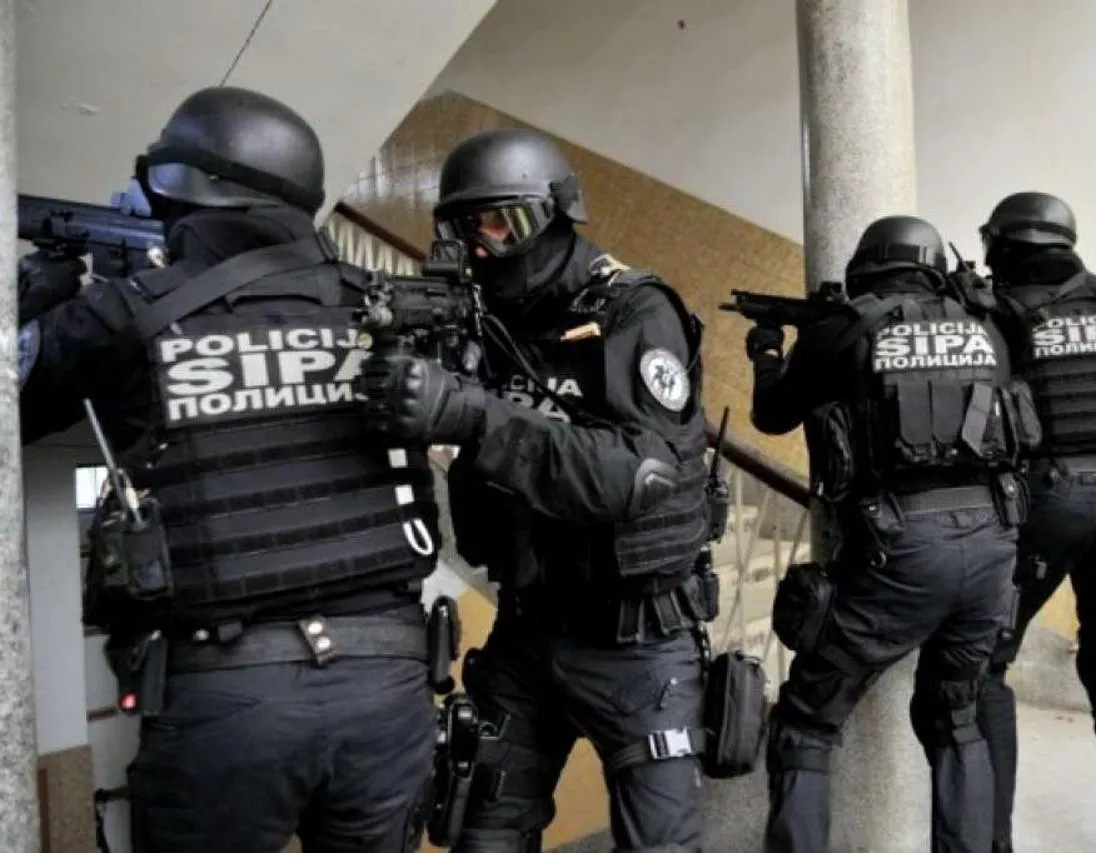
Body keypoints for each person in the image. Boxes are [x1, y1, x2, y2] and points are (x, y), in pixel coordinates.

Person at [18, 86, 443, 853]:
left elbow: (16, 403)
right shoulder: (380, 307)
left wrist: (34, 307)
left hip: (225, 693)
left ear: (189, 189)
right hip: (390, 684)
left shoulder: (131, 311)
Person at [359, 127, 713, 853]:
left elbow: (638, 472)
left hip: (638, 640)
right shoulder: (481, 317)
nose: (484, 246)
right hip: (527, 627)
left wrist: (472, 414)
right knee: (481, 832)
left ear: (555, 214)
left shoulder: (633, 311)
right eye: (466, 229)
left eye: (503, 223)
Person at [747, 215, 1041, 853]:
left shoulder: (846, 328)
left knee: (806, 721)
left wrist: (768, 353)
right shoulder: (986, 326)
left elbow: (771, 415)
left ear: (867, 263)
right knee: (956, 716)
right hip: (994, 543)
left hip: (901, 547)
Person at [975, 191, 1096, 853]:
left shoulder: (1004, 310)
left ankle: (993, 843)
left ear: (1006, 243)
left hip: (1049, 497)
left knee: (985, 667)